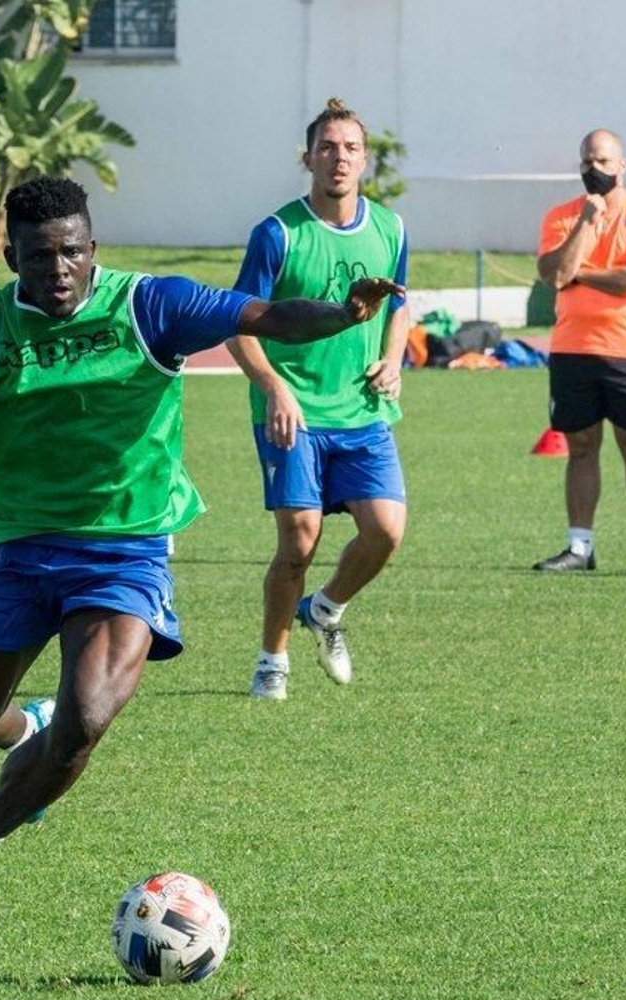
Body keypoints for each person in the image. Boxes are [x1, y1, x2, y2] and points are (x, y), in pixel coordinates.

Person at [0, 177, 399, 921]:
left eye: (72, 252)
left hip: (124, 552)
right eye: (40, 255)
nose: (58, 270)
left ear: (93, 249)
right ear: (11, 254)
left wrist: (344, 311)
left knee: (86, 720)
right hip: (20, 552)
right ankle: (28, 730)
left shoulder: (151, 306)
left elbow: (267, 314)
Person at [223, 98, 411, 702]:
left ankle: (326, 609)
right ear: (308, 158)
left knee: (385, 532)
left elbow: (400, 303)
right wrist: (275, 387)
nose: (339, 157)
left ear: (365, 160)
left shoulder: (391, 228)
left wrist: (393, 358)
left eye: (351, 147)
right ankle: (270, 661)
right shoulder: (277, 232)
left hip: (362, 409)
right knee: (299, 539)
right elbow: (237, 324)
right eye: (328, 147)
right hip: (295, 410)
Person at [533, 129, 626, 574]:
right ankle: (579, 546)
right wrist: (586, 224)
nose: (595, 170)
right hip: (573, 349)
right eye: (588, 162)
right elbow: (553, 275)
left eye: (605, 162)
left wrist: (582, 273)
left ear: (622, 166)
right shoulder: (563, 215)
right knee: (581, 446)